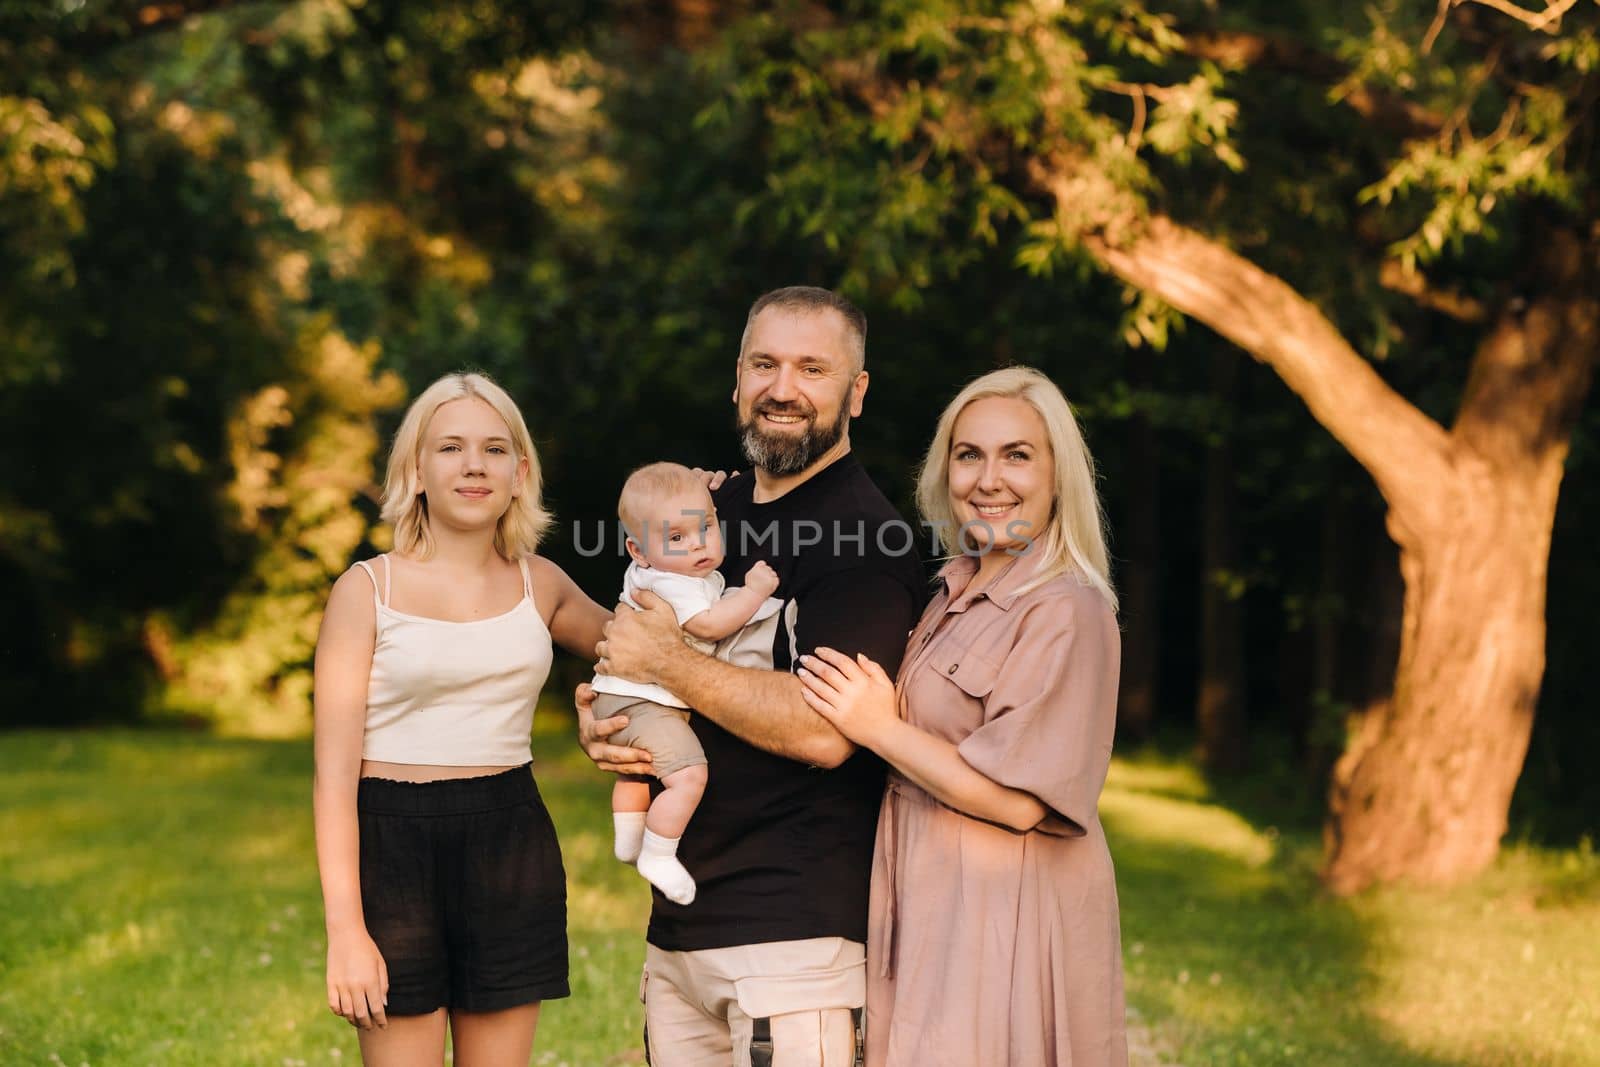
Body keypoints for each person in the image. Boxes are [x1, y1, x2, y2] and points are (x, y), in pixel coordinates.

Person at [580, 286, 926, 1066]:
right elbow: (628, 638)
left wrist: (668, 661)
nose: (782, 388)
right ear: (737, 379)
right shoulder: (704, 509)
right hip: (680, 933)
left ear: (856, 393)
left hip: (793, 939)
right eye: (765, 364)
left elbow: (825, 729)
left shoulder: (864, 539)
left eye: (812, 368)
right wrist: (608, 718)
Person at [795, 366, 1129, 1066]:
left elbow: (1018, 802)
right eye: (969, 454)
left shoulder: (1067, 608)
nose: (989, 478)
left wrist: (879, 726)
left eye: (1017, 455)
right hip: (924, 891)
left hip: (1007, 907)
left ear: (1058, 475)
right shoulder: (947, 589)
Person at [312, 371, 611, 1066]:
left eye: (495, 449)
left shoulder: (544, 584)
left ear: (520, 471)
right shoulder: (365, 591)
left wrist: (700, 510)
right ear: (416, 469)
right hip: (393, 847)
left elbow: (644, 652)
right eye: (450, 447)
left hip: (511, 840)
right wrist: (346, 930)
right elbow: (332, 783)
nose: (474, 464)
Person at [594, 461, 781, 904]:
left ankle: (628, 837)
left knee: (638, 768)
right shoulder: (679, 585)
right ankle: (659, 853)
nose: (698, 545)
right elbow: (712, 626)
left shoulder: (650, 570)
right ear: (638, 551)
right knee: (689, 776)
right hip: (647, 703)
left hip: (618, 696)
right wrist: (754, 592)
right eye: (677, 538)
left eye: (706, 527)